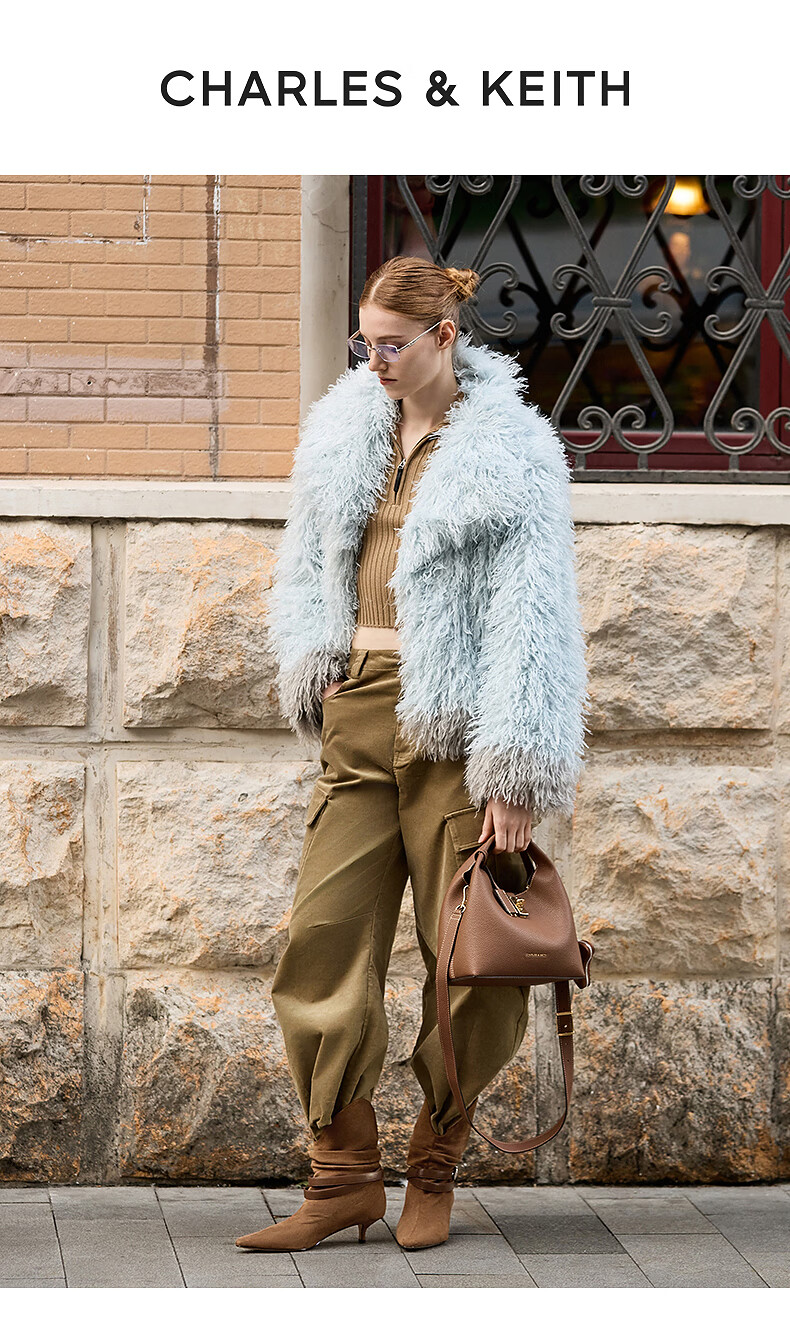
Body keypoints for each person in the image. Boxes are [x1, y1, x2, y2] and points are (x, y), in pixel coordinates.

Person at [235, 256, 588, 1253]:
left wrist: (514, 769)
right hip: (359, 709)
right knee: (320, 938)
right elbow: (307, 563)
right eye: (365, 342)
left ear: (443, 336)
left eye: (392, 343)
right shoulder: (342, 431)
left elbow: (536, 613)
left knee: (468, 960)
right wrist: (317, 661)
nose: (375, 360)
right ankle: (343, 1175)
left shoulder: (511, 451)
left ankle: (435, 1159)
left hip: (457, 729)